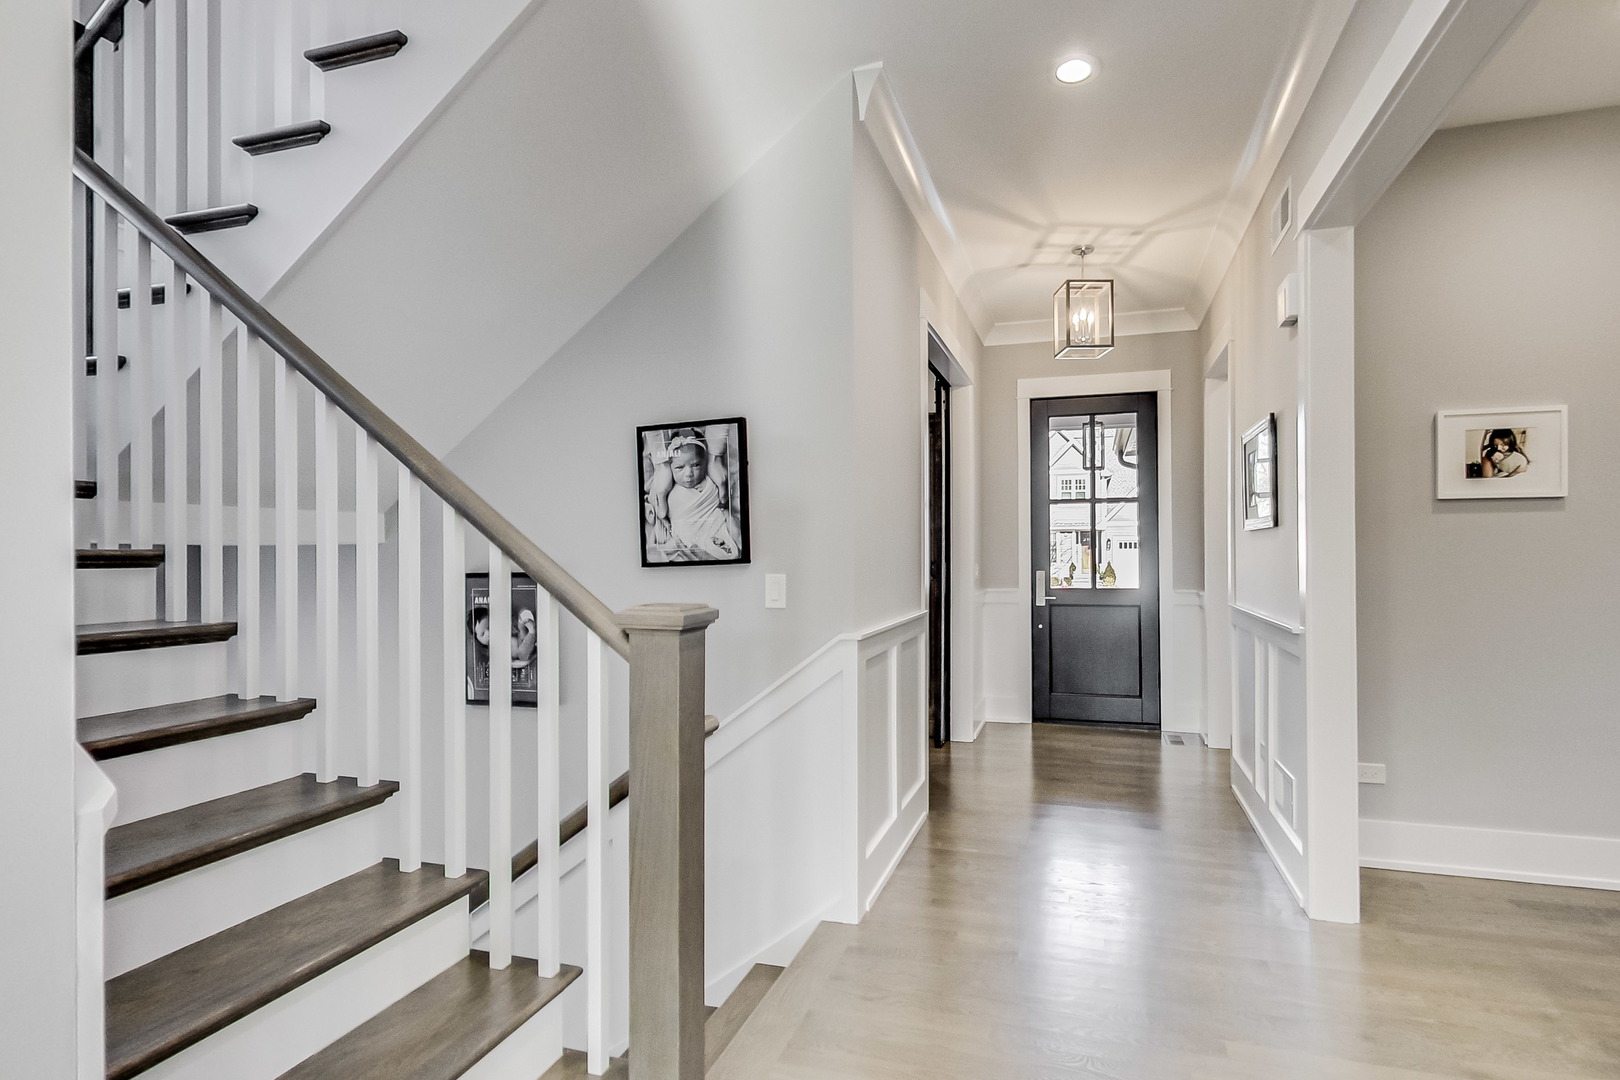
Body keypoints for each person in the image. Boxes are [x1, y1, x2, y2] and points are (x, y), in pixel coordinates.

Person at [646, 429, 739, 560]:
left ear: (705, 463)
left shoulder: (710, 482)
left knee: (732, 524)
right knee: (675, 543)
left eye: (696, 465)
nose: (689, 473)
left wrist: (711, 491)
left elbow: (720, 503)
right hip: (686, 530)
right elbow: (663, 514)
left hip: (714, 524)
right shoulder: (668, 488)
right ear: (671, 468)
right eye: (679, 468)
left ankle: (724, 547)